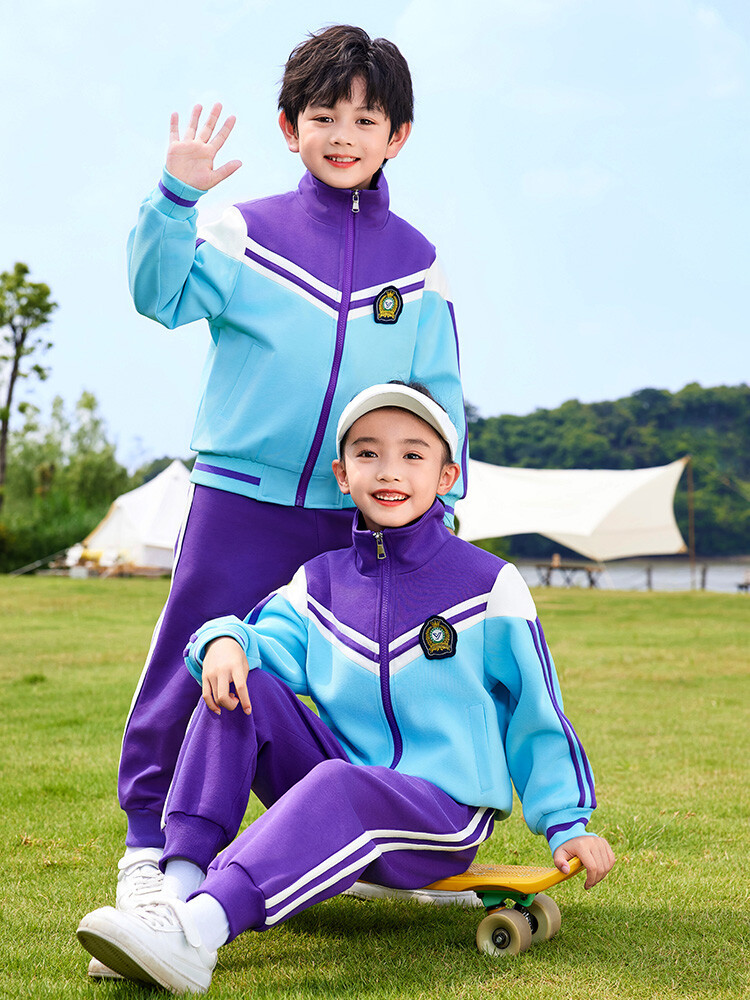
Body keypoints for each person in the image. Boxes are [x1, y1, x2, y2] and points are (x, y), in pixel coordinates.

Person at [78, 383, 615, 994]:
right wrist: (224, 640)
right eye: (368, 453)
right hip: (343, 788)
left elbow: (536, 713)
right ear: (342, 474)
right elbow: (255, 640)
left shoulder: (490, 584)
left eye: (412, 455)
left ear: (446, 476)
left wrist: (567, 821)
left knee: (341, 782)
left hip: (442, 817)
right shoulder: (320, 582)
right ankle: (170, 900)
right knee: (241, 684)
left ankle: (197, 935)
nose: (389, 471)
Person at [110, 24, 468, 940]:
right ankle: (151, 854)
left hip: (360, 515)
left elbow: (437, 393)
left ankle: (368, 846)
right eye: (324, 116)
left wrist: (443, 507)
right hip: (242, 501)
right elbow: (159, 296)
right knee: (195, 662)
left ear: (398, 137)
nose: (343, 135)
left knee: (378, 676)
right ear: (289, 127)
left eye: (366, 119)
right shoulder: (245, 231)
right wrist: (174, 199)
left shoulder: (418, 264)